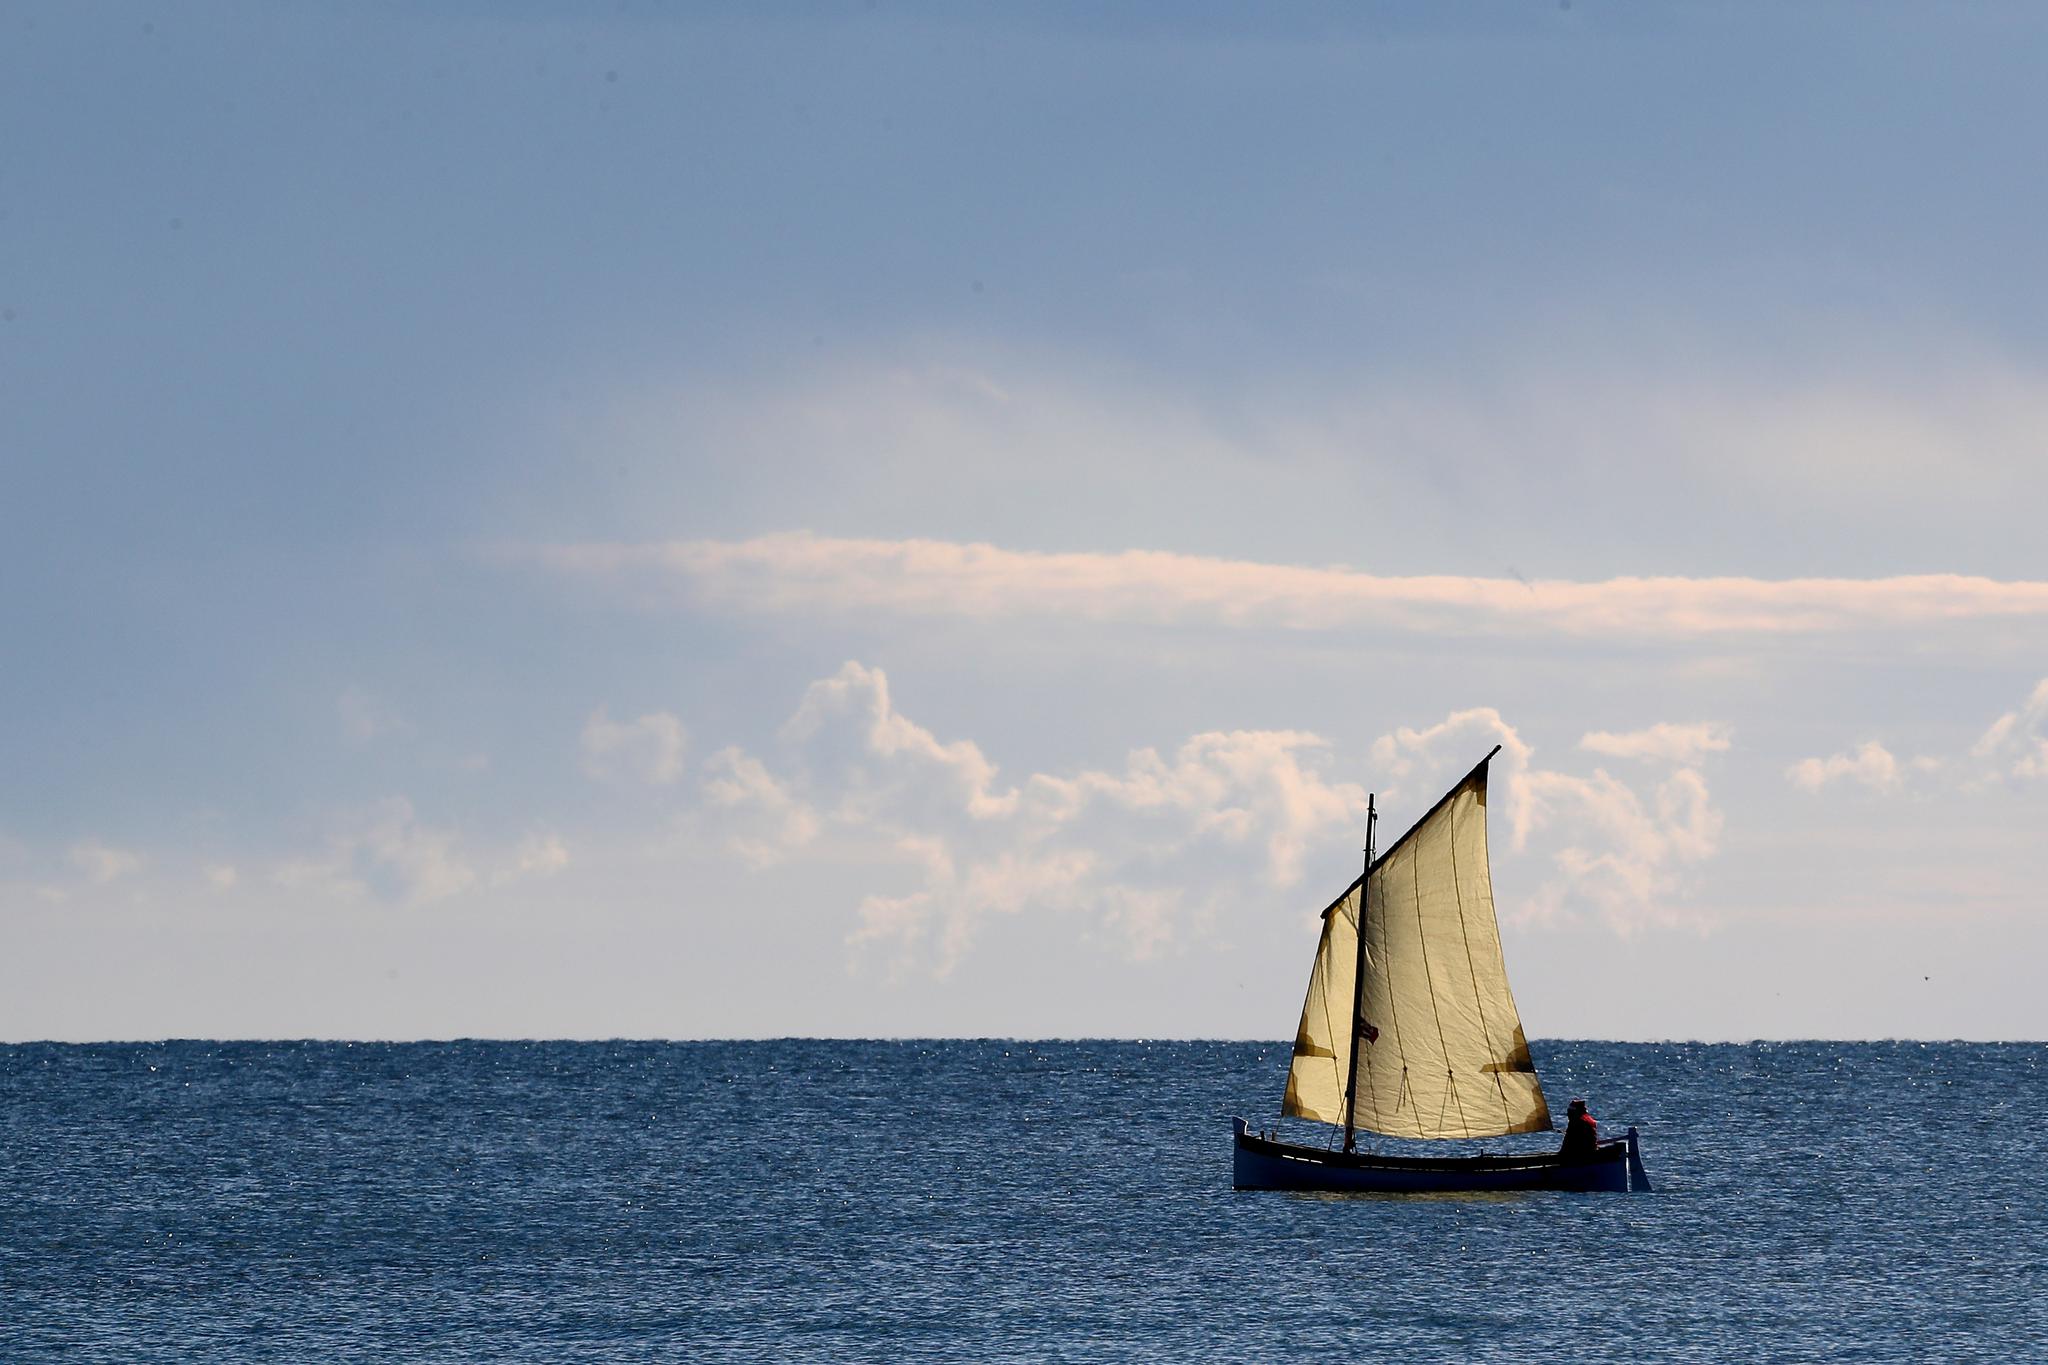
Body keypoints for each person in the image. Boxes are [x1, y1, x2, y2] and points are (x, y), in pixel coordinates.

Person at [1558, 1098, 1600, 1163]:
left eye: (1570, 1110)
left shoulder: (1576, 1121)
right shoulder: (1590, 1119)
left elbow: (1567, 1142)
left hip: (1580, 1156)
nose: (1568, 1113)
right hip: (1592, 1151)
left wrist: (1560, 1156)